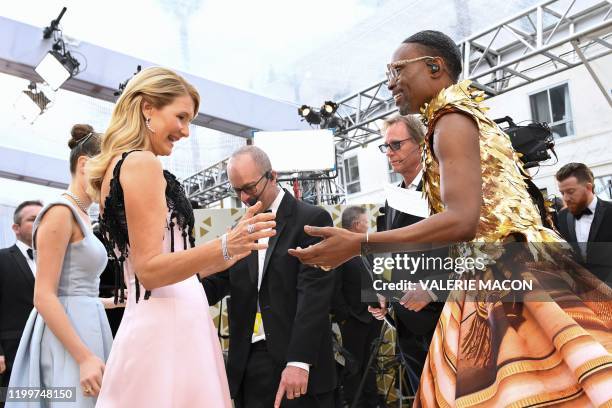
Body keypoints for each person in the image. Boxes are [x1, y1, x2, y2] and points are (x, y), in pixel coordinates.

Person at [290, 30, 612, 407]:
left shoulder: (451, 121)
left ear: (435, 67)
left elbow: (462, 220)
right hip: (507, 271)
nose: (390, 82)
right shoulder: (460, 118)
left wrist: (358, 244)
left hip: (505, 280)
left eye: (397, 70)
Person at [87, 67, 275, 408]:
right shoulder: (141, 163)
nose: (186, 131)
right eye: (181, 117)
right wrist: (222, 245)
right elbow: (151, 271)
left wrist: (231, 246)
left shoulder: (117, 168)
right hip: (169, 326)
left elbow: (169, 268)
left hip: (156, 317)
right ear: (147, 108)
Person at [202, 146, 336, 408]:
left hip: (296, 362)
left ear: (272, 176)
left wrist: (299, 361)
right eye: (237, 190)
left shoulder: (311, 219)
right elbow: (219, 283)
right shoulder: (240, 229)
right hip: (249, 364)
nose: (244, 198)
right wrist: (174, 280)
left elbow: (314, 297)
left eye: (250, 188)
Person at [5, 125, 122, 407]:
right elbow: (44, 295)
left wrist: (108, 302)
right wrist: (83, 357)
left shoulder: (80, 214)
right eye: (108, 172)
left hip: (86, 327)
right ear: (85, 165)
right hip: (68, 340)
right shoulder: (60, 212)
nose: (112, 181)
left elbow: (72, 289)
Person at [368, 115, 443, 395]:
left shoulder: (445, 187)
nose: (389, 152)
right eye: (385, 146)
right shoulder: (394, 196)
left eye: (396, 144)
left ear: (422, 143)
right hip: (406, 325)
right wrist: (380, 292)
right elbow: (386, 253)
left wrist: (434, 288)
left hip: (444, 318)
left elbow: (475, 250)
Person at [332, 206, 382, 408]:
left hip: (373, 317)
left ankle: (372, 402)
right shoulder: (340, 249)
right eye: (366, 222)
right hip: (353, 320)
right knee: (354, 366)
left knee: (371, 365)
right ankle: (356, 403)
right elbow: (335, 288)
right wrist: (345, 316)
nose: (369, 226)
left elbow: (373, 278)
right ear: (356, 225)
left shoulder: (367, 249)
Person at [0, 201, 42, 397]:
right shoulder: (2, 259)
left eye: (43, 219)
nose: (39, 223)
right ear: (15, 228)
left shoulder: (58, 261)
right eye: (33, 219)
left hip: (49, 347)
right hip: (11, 352)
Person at [555, 162, 612, 284]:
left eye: (570, 191)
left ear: (589, 187)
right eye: (562, 193)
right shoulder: (563, 216)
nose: (565, 198)